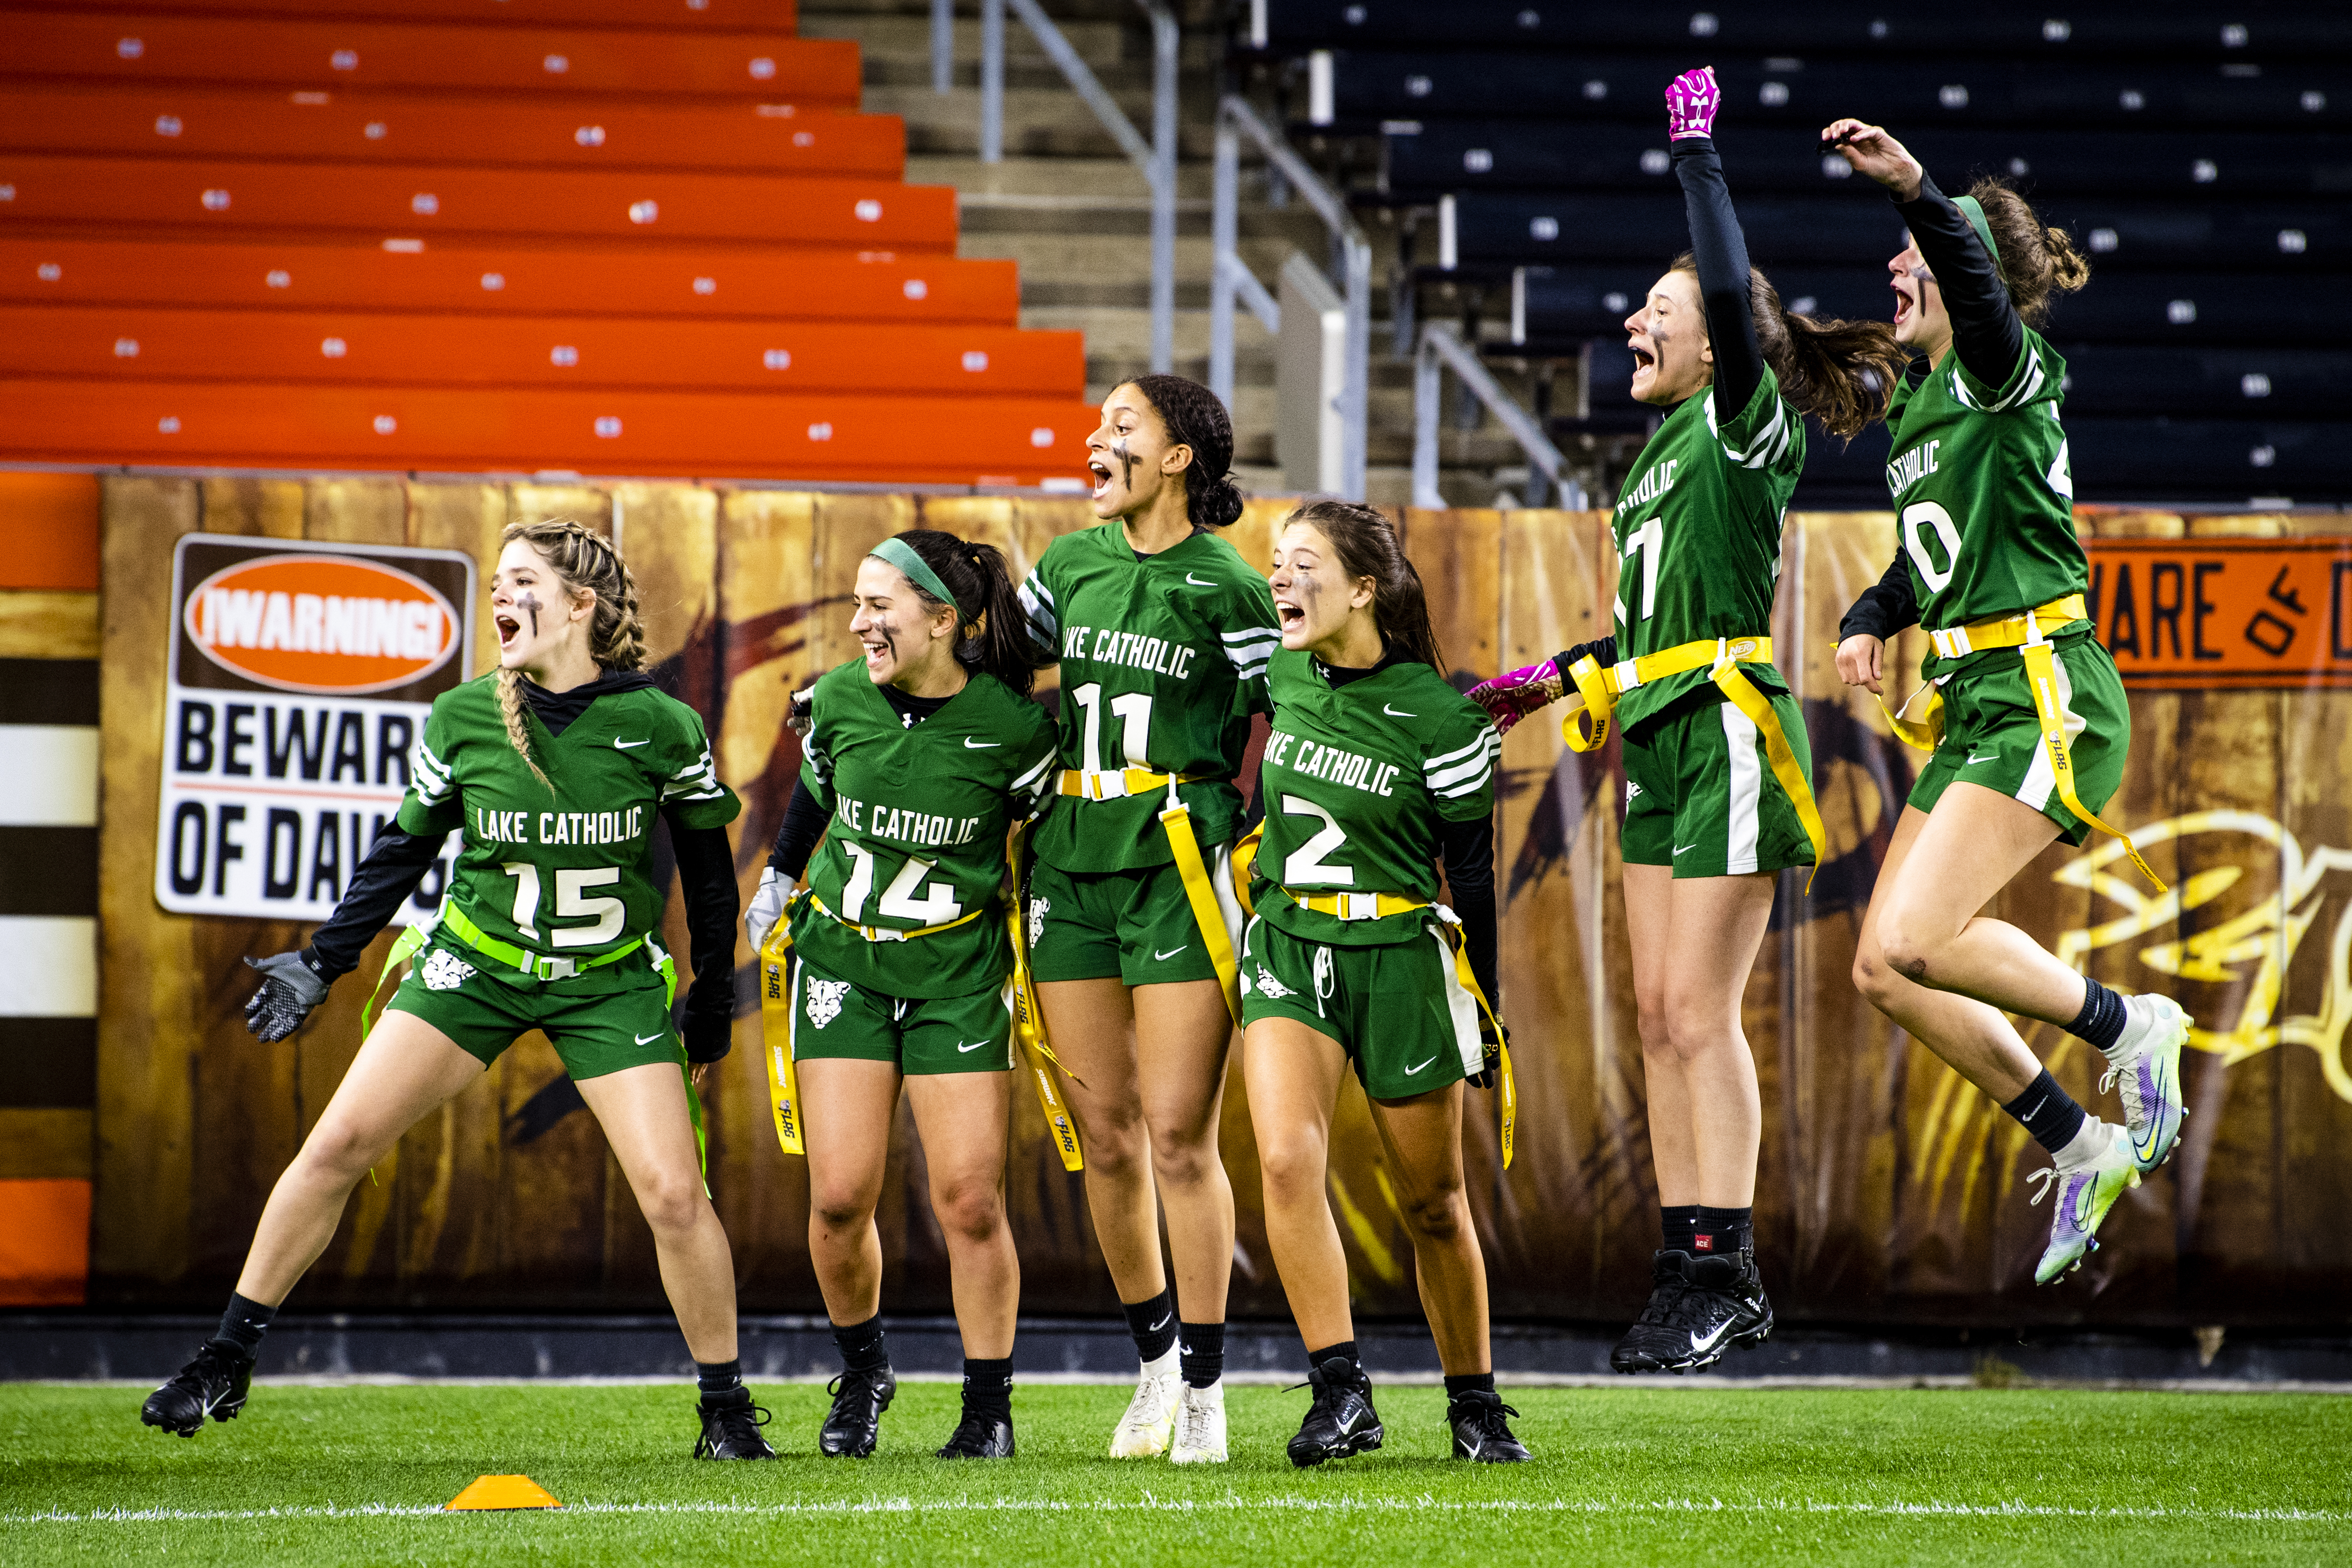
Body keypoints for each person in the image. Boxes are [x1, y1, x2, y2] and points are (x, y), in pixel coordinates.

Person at [141, 519, 765, 1458]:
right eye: (499, 580)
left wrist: (712, 996)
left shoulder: (660, 724)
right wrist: (326, 957)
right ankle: (225, 1354)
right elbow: (406, 848)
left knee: (675, 1195)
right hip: (474, 964)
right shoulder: (466, 714)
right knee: (339, 1143)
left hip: (605, 982)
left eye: (522, 581)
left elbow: (712, 884)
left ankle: (723, 1409)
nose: (501, 597)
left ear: (579, 606)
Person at [1467, 69, 1907, 1374]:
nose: (1634, 324)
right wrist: (1545, 680)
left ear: (1719, 346)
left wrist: (1697, 158)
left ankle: (1729, 1269)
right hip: (1658, 724)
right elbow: (1648, 634)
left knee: (1695, 1012)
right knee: (1658, 1011)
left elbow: (1727, 289)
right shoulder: (1656, 461)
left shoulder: (1740, 419)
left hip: (1723, 730)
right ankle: (1686, 1262)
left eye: (1659, 313)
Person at [1821, 117, 2190, 1282]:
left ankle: (2133, 1026)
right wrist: (1875, 613)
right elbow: (1928, 555)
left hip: (2043, 689)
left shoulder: (1997, 361)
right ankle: (2079, 1141)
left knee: (1924, 936)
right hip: (1978, 694)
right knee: (1884, 966)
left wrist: (1920, 192)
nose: (1899, 270)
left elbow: (1974, 285)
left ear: (1971, 272)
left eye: (1921, 257)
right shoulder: (1926, 403)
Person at [743, 529, 1058, 1460]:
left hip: (958, 974)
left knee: (969, 1199)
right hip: (845, 963)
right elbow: (815, 795)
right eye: (856, 602)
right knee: (840, 1198)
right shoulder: (839, 699)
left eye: (880, 605)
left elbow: (1042, 841)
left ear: (943, 620)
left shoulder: (1015, 727)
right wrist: (777, 879)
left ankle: (988, 1407)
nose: (860, 622)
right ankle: (865, 1369)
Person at [1014, 375, 1278, 1464]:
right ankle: (1155, 1365)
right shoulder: (1067, 566)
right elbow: (994, 679)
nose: (1096, 439)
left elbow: (1291, 719)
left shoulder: (1232, 587)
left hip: (1177, 859)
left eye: (1122, 426)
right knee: (1106, 1136)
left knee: (1179, 1134)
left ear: (1180, 458)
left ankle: (1210, 1390)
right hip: (1070, 860)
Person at [1241, 500, 1523, 1466]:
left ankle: (1475, 1407)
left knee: (1435, 1200)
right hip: (1286, 945)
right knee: (1284, 1162)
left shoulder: (1445, 718)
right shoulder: (1279, 672)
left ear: (1365, 588)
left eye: (1303, 562)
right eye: (1276, 561)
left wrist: (1487, 1006)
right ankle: (1341, 1390)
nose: (1280, 578)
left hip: (1400, 956)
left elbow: (1474, 875)